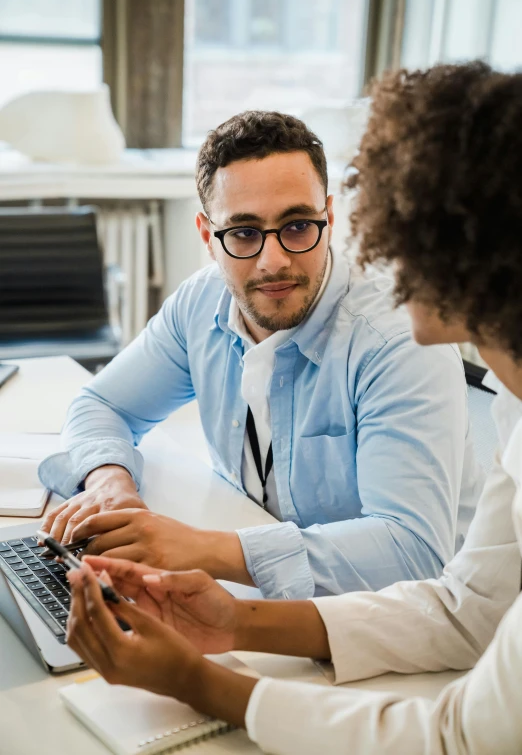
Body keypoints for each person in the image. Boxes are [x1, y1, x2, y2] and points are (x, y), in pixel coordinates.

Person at [67, 62, 522, 753]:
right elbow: (469, 611)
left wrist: (201, 677)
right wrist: (234, 623)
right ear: (209, 232)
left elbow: (460, 733)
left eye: (394, 238)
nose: (381, 260)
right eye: (245, 233)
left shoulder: (391, 333)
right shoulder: (516, 420)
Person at [39, 111, 481, 599]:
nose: (274, 260)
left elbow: (413, 550)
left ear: (329, 219)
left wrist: (202, 549)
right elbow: (103, 405)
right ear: (209, 237)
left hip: (400, 623)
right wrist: (108, 482)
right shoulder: (201, 302)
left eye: (296, 226)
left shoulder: (398, 343)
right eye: (244, 233)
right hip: (261, 588)